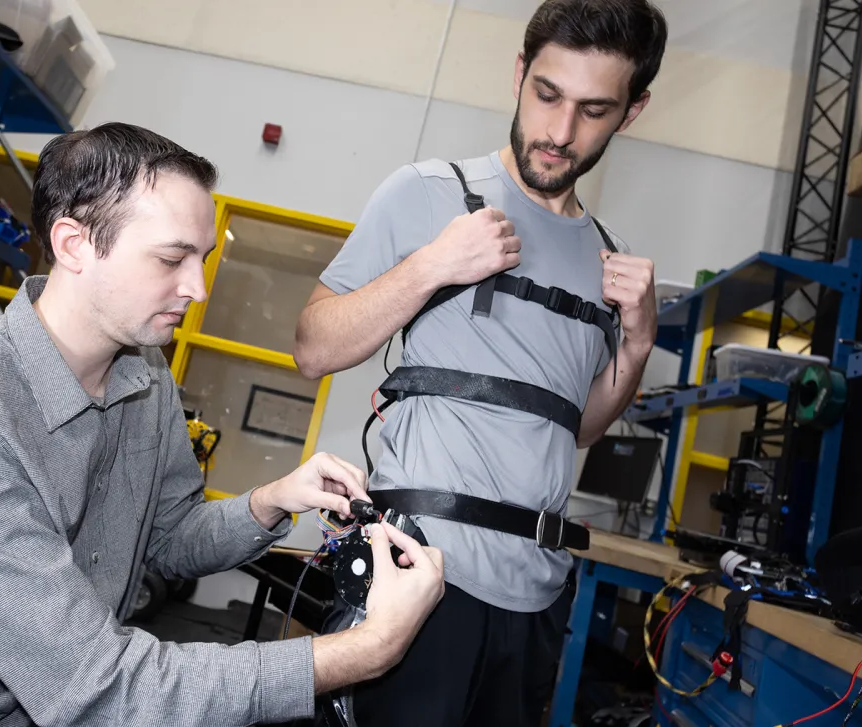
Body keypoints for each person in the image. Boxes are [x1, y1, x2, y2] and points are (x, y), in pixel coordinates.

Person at [0, 122, 445, 727]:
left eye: (201, 259)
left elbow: (169, 537)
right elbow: (93, 686)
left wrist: (272, 501)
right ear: (73, 245)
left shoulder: (143, 374)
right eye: (171, 259)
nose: (196, 289)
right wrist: (368, 648)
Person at [293, 1, 668, 725]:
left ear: (633, 111)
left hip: (535, 601)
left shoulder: (607, 259)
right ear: (520, 72)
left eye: (593, 110)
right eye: (547, 95)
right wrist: (433, 264)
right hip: (421, 580)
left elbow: (577, 428)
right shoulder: (429, 194)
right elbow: (314, 347)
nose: (559, 133)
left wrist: (637, 344)